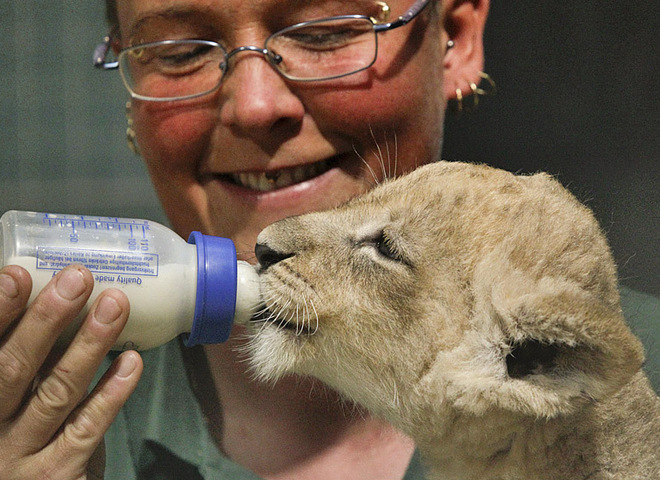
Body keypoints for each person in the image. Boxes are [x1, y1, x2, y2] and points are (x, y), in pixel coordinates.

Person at [0, 0, 656, 478]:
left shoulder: (597, 361)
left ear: (455, 36)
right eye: (178, 53)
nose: (255, 105)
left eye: (324, 31)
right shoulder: (38, 408)